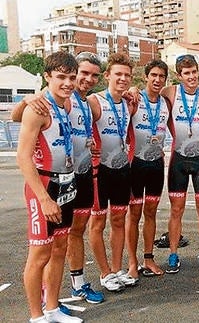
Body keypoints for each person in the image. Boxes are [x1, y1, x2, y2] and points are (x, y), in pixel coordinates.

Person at [12, 52, 106, 305]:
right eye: (81, 74)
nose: (82, 81)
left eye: (91, 76)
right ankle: (40, 307)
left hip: (74, 177)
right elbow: (20, 138)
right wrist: (27, 99)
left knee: (66, 240)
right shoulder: (46, 101)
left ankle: (60, 298)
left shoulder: (85, 103)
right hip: (47, 182)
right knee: (43, 249)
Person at [17, 51, 83, 323]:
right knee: (40, 252)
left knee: (60, 248)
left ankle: (53, 308)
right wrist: (44, 199)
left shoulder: (67, 105)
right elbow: (23, 157)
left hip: (65, 181)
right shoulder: (37, 108)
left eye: (71, 77)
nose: (67, 83)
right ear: (47, 77)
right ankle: (36, 316)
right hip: (42, 185)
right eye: (60, 77)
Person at [159, 54, 199, 273]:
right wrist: (134, 91)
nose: (192, 77)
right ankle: (173, 254)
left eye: (194, 72)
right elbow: (148, 94)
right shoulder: (171, 92)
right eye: (187, 73)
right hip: (178, 159)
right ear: (179, 75)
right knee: (176, 210)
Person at [88, 53, 137, 291]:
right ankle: (104, 272)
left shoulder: (128, 102)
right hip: (100, 172)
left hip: (121, 170)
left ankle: (117, 269)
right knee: (97, 223)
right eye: (118, 74)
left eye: (127, 75)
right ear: (107, 76)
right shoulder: (94, 101)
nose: (123, 79)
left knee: (118, 220)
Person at [125, 59, 171, 279]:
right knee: (134, 214)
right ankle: (132, 263)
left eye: (161, 76)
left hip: (155, 164)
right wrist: (131, 89)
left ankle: (148, 258)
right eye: (153, 75)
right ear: (146, 77)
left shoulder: (166, 103)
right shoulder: (134, 99)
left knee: (151, 212)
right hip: (136, 163)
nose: (157, 79)